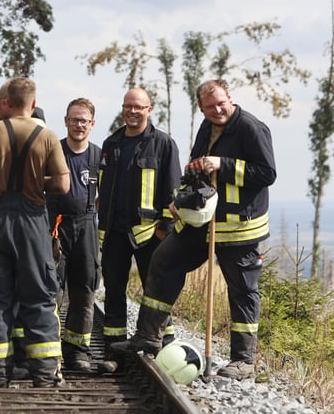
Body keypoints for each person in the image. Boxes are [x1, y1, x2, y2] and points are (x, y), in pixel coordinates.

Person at [114, 79, 276, 380]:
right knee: (163, 261)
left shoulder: (252, 128)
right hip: (201, 223)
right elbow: (195, 167)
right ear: (201, 107)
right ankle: (149, 338)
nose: (217, 110)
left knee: (242, 291)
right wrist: (181, 199)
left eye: (221, 103)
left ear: (230, 98)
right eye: (209, 106)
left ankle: (243, 361)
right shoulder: (206, 127)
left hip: (239, 229)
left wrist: (223, 164)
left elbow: (267, 173)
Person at [0, 76, 70, 388]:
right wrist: (37, 183)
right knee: (38, 295)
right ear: (33, 104)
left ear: (7, 101)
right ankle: (45, 373)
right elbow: (63, 185)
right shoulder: (47, 135)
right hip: (33, 220)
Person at [95, 87, 181, 374]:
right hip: (115, 236)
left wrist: (163, 231)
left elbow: (174, 194)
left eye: (138, 107)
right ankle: (114, 353)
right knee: (114, 293)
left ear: (149, 109)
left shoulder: (163, 144)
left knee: (155, 293)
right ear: (123, 109)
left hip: (149, 237)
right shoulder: (111, 143)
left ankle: (167, 351)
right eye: (128, 106)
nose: (133, 111)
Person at [0, 81, 47, 380]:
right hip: (16, 223)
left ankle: (6, 366)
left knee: (2, 297)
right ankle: (33, 367)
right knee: (28, 294)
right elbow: (62, 183)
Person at [46, 98, 102, 372]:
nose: (79, 124)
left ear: (92, 124)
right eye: (74, 119)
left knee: (84, 290)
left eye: (84, 120)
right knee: (51, 290)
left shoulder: (97, 156)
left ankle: (78, 352)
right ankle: (49, 352)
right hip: (55, 227)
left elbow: (108, 195)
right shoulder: (52, 151)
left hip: (87, 226)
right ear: (65, 121)